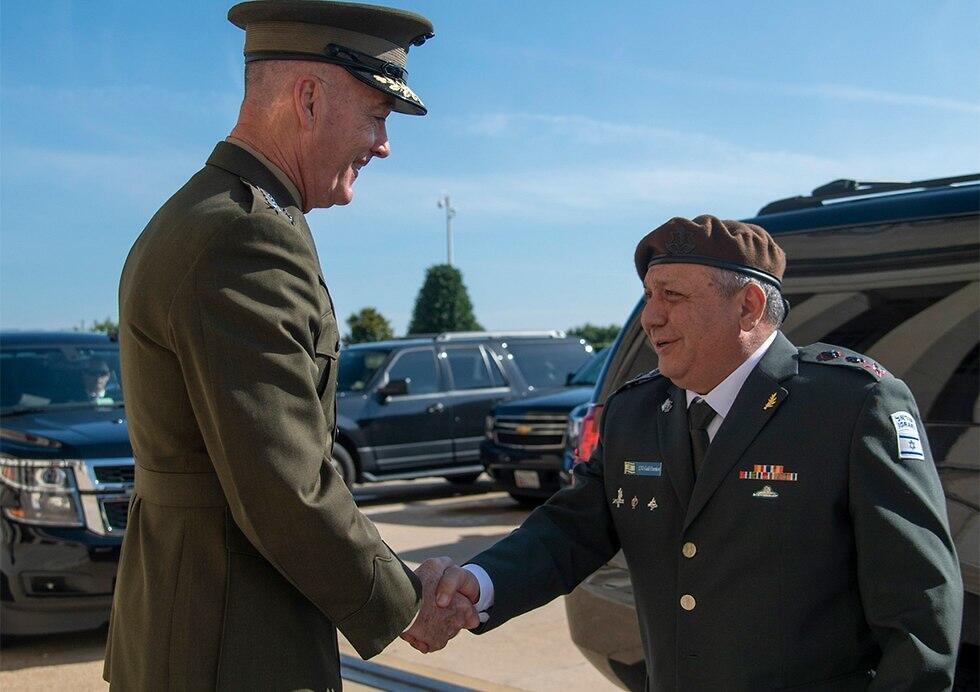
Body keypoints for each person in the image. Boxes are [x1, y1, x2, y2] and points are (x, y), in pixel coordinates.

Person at [406, 215, 964, 690]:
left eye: (673, 296)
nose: (651, 317)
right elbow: (569, 531)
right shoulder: (635, 413)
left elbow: (919, 607)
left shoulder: (851, 406)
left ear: (747, 306)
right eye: (649, 296)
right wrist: (477, 583)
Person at [105, 2, 476, 689]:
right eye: (377, 115)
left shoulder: (214, 214)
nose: (384, 143)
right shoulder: (243, 238)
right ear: (308, 99)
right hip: (233, 643)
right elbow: (283, 483)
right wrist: (405, 603)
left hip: (198, 630)